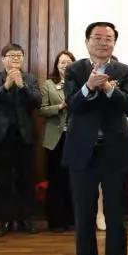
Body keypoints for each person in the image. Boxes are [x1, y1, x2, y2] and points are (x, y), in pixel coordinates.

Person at [63, 21, 128, 255]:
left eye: (109, 39)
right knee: (84, 218)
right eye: (98, 38)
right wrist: (88, 87)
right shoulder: (75, 70)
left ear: (114, 43)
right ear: (87, 42)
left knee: (116, 217)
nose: (103, 42)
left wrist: (109, 90)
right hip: (83, 151)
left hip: (115, 151)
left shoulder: (124, 70)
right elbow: (73, 105)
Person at [0, 44, 42, 237]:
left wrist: (22, 85)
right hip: (1, 138)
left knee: (26, 180)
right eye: (11, 55)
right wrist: (7, 86)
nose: (16, 58)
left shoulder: (30, 79)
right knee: (3, 181)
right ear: (3, 59)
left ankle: (25, 219)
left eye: (19, 55)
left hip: (25, 138)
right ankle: (5, 221)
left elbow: (37, 102)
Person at [40, 50, 76, 232]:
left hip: (74, 137)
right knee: (56, 180)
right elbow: (42, 110)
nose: (65, 65)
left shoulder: (79, 84)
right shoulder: (48, 84)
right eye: (62, 62)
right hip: (55, 139)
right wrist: (60, 106)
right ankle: (56, 221)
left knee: (73, 180)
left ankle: (72, 219)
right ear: (56, 65)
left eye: (69, 62)